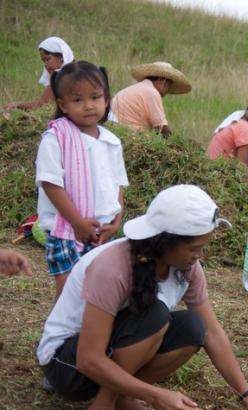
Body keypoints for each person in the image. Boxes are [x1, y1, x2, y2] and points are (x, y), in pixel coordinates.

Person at [36, 185, 248, 410]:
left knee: (193, 327)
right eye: (194, 248)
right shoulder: (112, 268)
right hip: (68, 366)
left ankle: (122, 398)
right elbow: (88, 359)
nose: (200, 256)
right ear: (164, 242)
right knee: (155, 315)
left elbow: (213, 334)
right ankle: (101, 409)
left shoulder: (187, 268)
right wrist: (154, 395)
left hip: (105, 356)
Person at [35, 61, 128, 298]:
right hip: (67, 229)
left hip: (103, 229)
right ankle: (60, 335)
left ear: (106, 100)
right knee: (69, 292)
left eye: (95, 97)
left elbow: (118, 184)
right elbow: (51, 184)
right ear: (62, 105)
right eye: (78, 100)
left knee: (97, 291)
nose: (89, 106)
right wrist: (77, 223)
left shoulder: (111, 141)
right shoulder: (55, 138)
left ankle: (88, 335)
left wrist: (116, 222)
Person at [110, 61, 191, 138]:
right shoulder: (152, 93)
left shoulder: (135, 88)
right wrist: (176, 143)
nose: (167, 91)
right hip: (130, 134)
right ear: (163, 81)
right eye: (168, 86)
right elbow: (161, 128)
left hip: (114, 130)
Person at [3, 37, 74, 111]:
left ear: (61, 57)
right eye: (44, 61)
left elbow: (41, 105)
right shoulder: (74, 71)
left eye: (48, 59)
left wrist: (16, 105)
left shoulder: (60, 77)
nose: (46, 64)